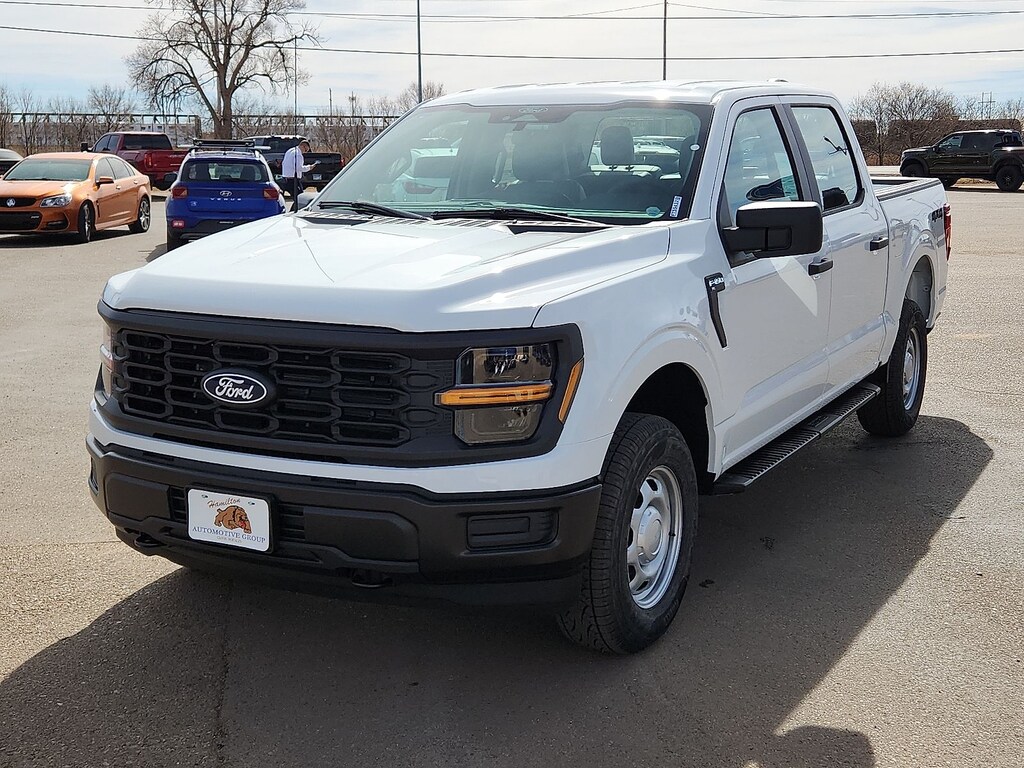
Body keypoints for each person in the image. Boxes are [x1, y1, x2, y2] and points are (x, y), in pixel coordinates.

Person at [281, 139, 318, 212]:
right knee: (300, 198)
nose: (305, 152)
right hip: (293, 179)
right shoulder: (298, 154)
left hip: (286, 177)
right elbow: (299, 168)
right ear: (303, 146)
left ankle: (292, 211)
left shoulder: (290, 151)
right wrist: (309, 167)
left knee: (297, 198)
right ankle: (294, 212)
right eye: (306, 150)